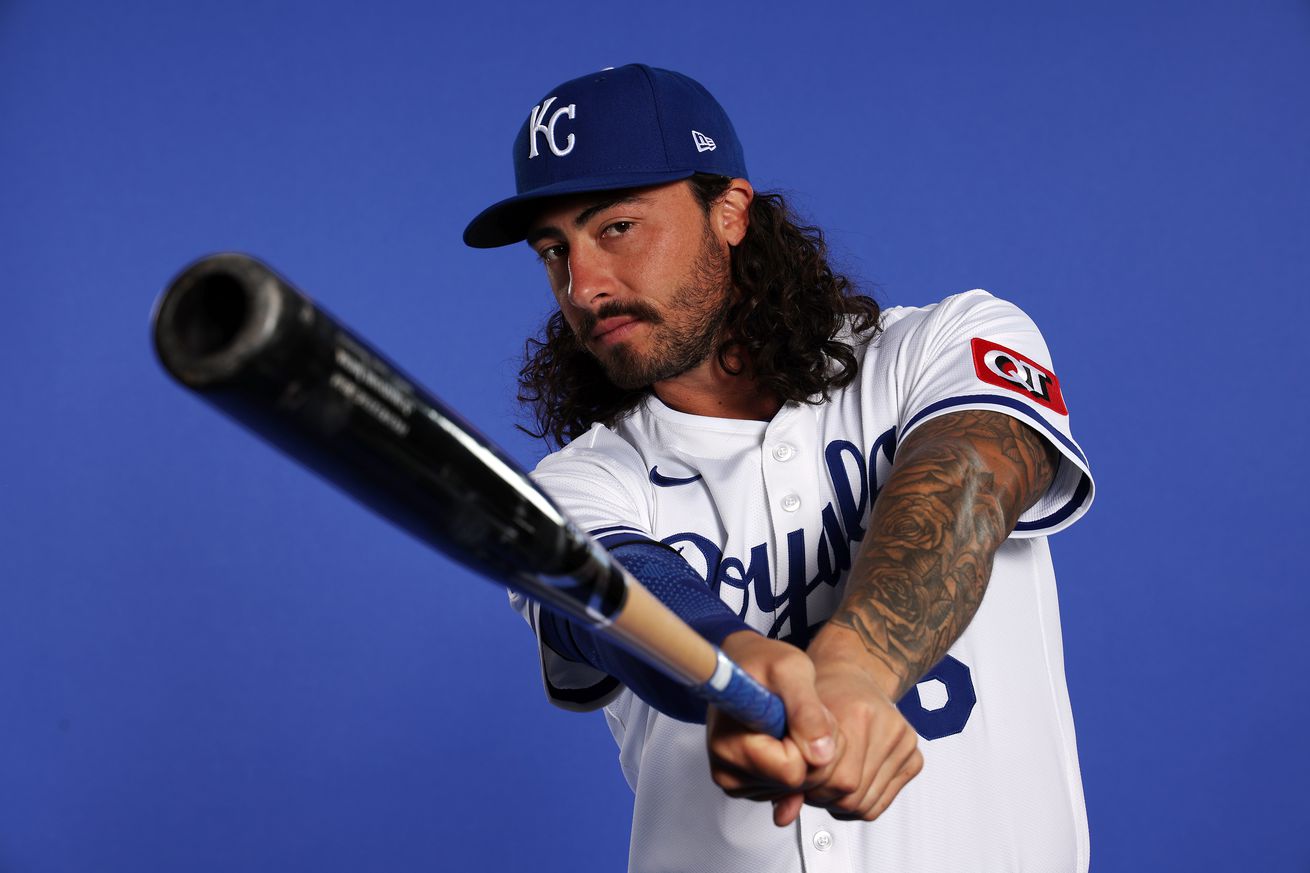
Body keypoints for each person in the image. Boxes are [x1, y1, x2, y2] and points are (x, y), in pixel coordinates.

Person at [463, 64, 1095, 873]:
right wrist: (731, 665)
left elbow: (973, 469)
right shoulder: (577, 481)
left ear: (729, 210)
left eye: (616, 227)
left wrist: (858, 668)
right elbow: (614, 585)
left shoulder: (942, 346)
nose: (583, 286)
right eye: (555, 250)